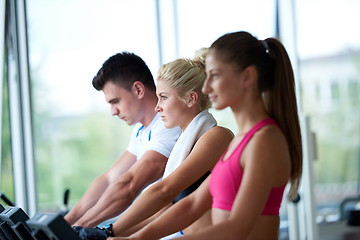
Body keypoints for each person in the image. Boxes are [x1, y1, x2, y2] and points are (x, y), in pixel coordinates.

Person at [110, 31, 303, 240]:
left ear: (247, 77)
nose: (206, 86)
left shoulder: (265, 141)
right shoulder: (240, 140)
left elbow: (236, 228)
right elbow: (191, 206)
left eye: (215, 75)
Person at [74, 49, 234, 240]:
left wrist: (110, 231)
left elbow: (163, 191)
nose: (158, 107)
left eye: (164, 97)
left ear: (191, 98)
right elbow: (163, 212)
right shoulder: (184, 144)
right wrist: (109, 233)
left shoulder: (215, 137)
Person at [64, 52, 182, 228]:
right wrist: (66, 222)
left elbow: (130, 185)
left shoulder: (169, 125)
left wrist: (80, 227)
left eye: (115, 101)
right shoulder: (140, 131)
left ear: (138, 90)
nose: (113, 111)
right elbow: (110, 179)